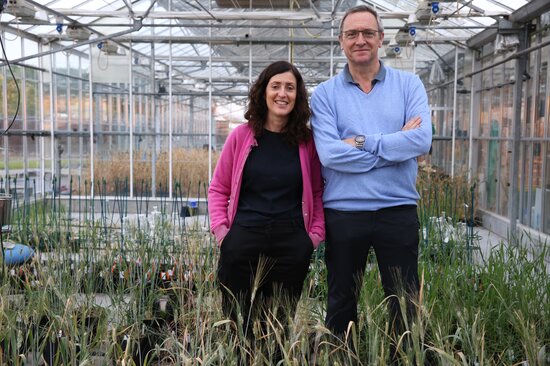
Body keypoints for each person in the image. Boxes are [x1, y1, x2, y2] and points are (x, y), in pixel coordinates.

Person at [310, 4, 432, 362]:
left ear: (380, 38)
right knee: (341, 302)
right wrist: (394, 142)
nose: (360, 40)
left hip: (397, 210)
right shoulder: (325, 94)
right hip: (345, 214)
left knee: (404, 300)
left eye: (367, 33)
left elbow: (421, 141)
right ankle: (341, 358)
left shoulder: (409, 85)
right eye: (352, 34)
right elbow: (331, 155)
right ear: (341, 41)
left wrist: (362, 141)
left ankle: (404, 359)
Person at [208, 61, 325, 360]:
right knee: (238, 328)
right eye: (276, 86)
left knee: (277, 331)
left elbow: (316, 191)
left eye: (290, 87)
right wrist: (223, 233)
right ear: (263, 92)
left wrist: (312, 238)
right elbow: (219, 189)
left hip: (290, 248)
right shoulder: (241, 136)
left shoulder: (306, 142)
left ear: (298, 96)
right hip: (242, 244)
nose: (282, 93)